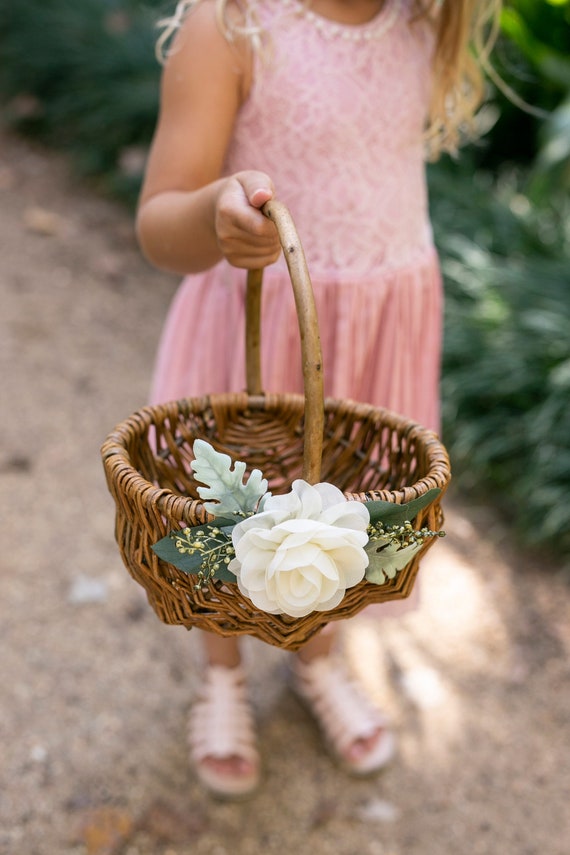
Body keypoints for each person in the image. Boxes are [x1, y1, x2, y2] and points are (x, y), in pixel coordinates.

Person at [136, 0, 500, 798]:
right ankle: (223, 676)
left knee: (344, 513)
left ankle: (319, 656)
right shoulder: (233, 24)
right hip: (264, 328)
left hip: (379, 326)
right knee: (227, 517)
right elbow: (160, 222)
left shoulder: (418, 18)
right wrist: (213, 213)